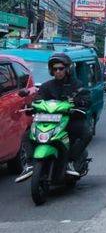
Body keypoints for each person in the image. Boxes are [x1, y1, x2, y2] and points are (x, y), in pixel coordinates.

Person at [16, 53, 90, 183]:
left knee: (86, 132)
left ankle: (71, 161)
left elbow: (85, 98)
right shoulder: (46, 86)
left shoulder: (76, 84)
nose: (58, 71)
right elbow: (37, 99)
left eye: (61, 68)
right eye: (55, 69)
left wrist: (80, 103)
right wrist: (30, 106)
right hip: (47, 121)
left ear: (67, 69)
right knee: (27, 136)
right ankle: (29, 164)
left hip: (69, 121)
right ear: (51, 71)